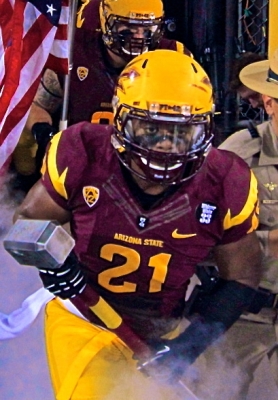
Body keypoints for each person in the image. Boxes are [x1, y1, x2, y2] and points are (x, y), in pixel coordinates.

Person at [13, 50, 262, 400]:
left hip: (163, 328)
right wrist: (54, 264)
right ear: (120, 120)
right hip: (83, 315)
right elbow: (26, 223)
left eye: (181, 132)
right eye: (151, 128)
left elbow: (242, 276)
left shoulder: (225, 181)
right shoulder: (83, 152)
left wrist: (190, 344)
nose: (164, 144)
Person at [11, 0, 190, 192]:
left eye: (147, 29)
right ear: (105, 20)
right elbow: (36, 105)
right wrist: (46, 133)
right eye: (128, 28)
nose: (138, 37)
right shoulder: (75, 51)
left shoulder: (173, 58)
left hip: (146, 170)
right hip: (79, 167)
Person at [186, 48, 278, 400]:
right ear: (267, 103)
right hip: (245, 313)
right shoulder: (238, 155)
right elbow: (190, 238)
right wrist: (265, 242)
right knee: (212, 393)